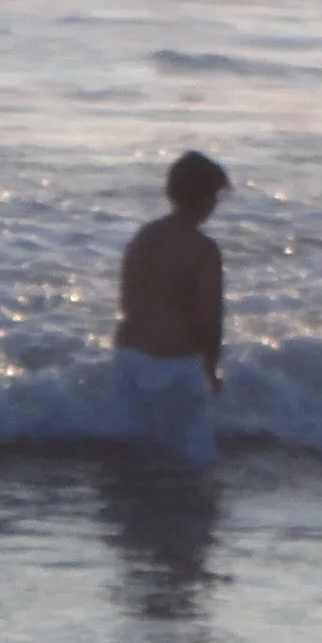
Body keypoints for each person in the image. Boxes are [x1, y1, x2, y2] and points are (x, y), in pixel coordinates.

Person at [114, 149, 230, 468]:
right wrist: (212, 370)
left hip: (130, 360)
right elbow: (210, 319)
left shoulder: (144, 237)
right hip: (175, 366)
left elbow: (127, 301)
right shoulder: (202, 250)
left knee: (138, 461)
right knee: (193, 466)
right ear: (207, 199)